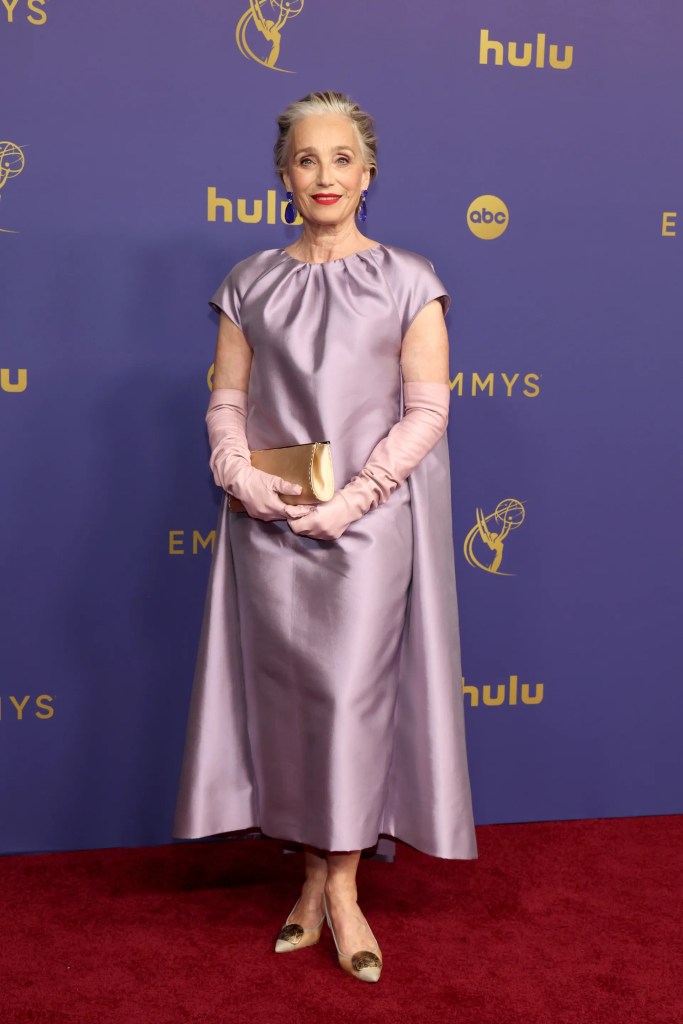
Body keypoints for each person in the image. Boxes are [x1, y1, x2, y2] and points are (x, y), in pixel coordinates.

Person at [173, 89, 478, 984]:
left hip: (368, 532)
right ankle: (310, 879)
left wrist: (355, 500)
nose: (324, 176)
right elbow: (227, 401)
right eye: (306, 159)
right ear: (282, 175)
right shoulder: (248, 282)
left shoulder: (410, 280)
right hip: (267, 529)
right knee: (289, 708)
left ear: (368, 172)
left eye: (341, 158)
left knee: (349, 703)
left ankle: (343, 890)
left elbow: (426, 412)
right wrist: (237, 473)